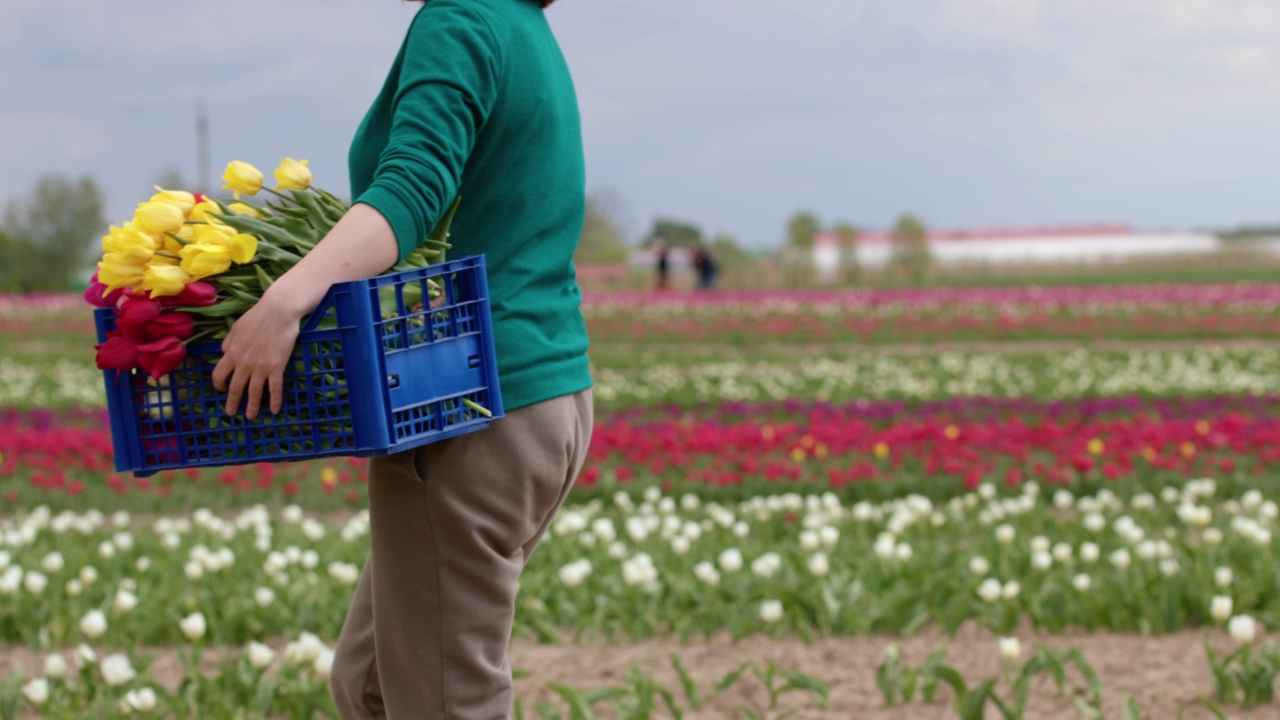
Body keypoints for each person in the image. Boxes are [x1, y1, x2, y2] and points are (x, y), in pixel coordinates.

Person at [210, 1, 593, 717]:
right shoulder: (518, 27)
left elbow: (413, 188)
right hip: (546, 397)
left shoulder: (462, 19)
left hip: (473, 404)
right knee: (372, 685)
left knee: (446, 703)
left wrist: (288, 298)